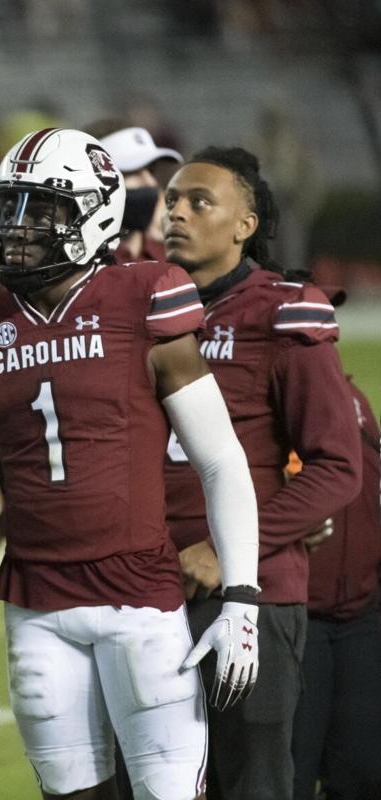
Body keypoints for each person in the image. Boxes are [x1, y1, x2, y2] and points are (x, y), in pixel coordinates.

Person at [0, 128, 262, 800]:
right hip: (37, 607)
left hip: (141, 598)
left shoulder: (143, 295)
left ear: (97, 212)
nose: (17, 229)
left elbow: (222, 460)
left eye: (41, 210)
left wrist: (243, 601)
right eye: (11, 207)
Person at [162, 148, 362, 800]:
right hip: (144, 590)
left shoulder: (281, 311)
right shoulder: (140, 308)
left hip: (249, 594)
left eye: (199, 202)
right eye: (172, 201)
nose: (177, 213)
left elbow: (336, 467)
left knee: (252, 783)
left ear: (245, 224)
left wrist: (227, 551)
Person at [288, 286, 381, 799]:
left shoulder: (355, 397)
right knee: (290, 776)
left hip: (361, 614)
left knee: (365, 772)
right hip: (300, 617)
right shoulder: (267, 391)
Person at [96, 125, 181, 264]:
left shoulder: (172, 257)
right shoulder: (80, 266)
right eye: (132, 171)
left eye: (151, 170)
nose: (150, 182)